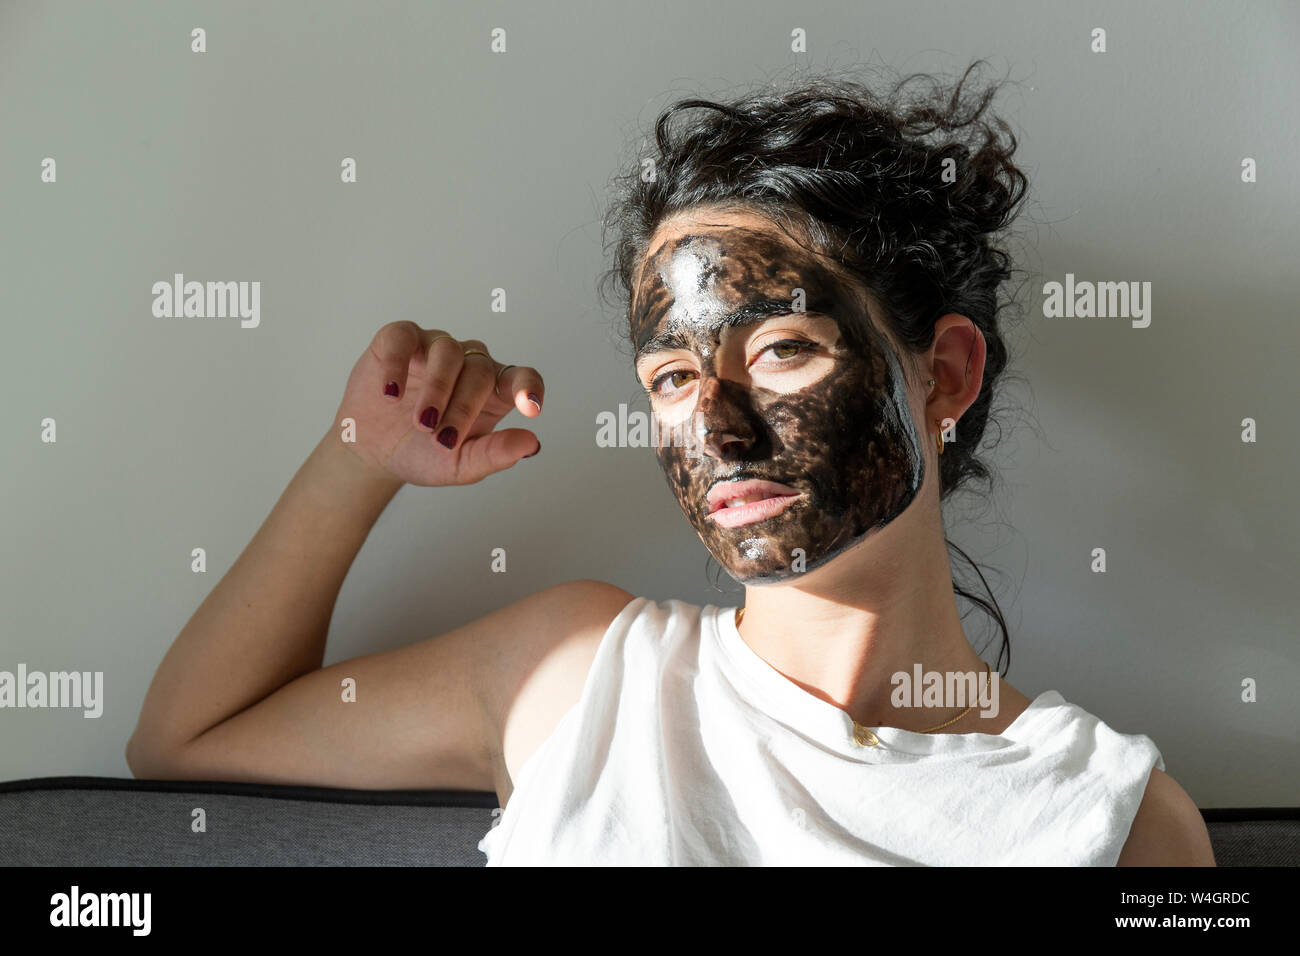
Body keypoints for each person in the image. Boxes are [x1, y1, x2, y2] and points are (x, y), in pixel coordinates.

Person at [126, 63, 1214, 866]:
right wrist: (357, 458)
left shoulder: (1108, 818)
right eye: (673, 380)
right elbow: (184, 740)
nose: (723, 432)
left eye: (783, 351)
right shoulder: (576, 675)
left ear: (943, 375)